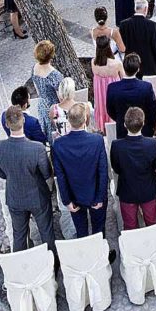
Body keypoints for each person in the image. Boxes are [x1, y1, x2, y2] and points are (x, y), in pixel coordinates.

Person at [0, 105, 54, 251]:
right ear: (24, 121)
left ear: (7, 124)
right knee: (46, 232)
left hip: (15, 197)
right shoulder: (37, 148)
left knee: (19, 236)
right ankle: (54, 264)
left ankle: (22, 268)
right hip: (38, 197)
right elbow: (47, 174)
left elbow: (1, 174)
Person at [50, 102, 111, 239]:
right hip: (95, 194)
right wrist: (100, 197)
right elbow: (103, 171)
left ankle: (85, 257)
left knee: (81, 232)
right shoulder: (97, 140)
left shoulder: (59, 144)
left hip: (74, 196)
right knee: (99, 230)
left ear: (69, 120)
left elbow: (60, 176)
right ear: (85, 120)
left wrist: (67, 200)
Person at [110, 106, 156, 228]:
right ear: (143, 124)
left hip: (127, 191)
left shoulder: (117, 146)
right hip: (148, 189)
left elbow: (116, 168)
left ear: (124, 124)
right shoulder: (152, 143)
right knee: (152, 223)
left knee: (130, 226)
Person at [105, 53, 156, 138]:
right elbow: (153, 110)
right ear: (138, 69)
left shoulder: (112, 88)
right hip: (143, 129)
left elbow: (110, 110)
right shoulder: (146, 87)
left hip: (123, 128)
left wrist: (121, 119)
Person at [90, 31, 125, 134]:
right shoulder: (117, 64)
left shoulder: (93, 62)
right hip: (113, 92)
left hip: (100, 95)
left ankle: (102, 128)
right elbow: (124, 79)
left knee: (101, 108)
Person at [118, 0, 156, 75]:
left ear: (135, 8)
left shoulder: (124, 25)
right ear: (145, 9)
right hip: (149, 66)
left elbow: (121, 46)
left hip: (130, 67)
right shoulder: (151, 25)